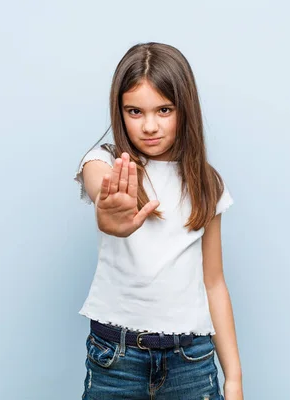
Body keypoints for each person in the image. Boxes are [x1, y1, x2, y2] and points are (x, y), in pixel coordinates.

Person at [74, 42, 244, 400]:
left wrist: (234, 379)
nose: (149, 126)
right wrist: (108, 207)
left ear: (185, 110)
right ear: (119, 112)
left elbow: (214, 283)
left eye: (163, 110)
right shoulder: (106, 161)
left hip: (192, 361)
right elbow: (99, 181)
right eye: (134, 111)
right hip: (115, 360)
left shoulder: (205, 182)